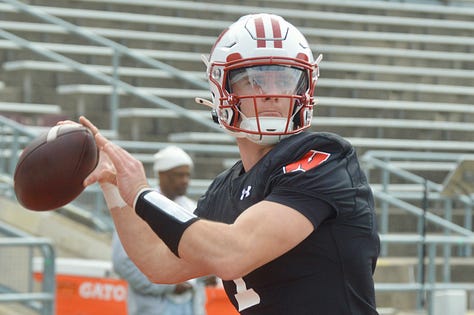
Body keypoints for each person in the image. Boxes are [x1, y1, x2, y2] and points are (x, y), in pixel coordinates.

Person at [78, 13, 380, 315]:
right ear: (222, 90)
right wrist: (115, 189)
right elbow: (158, 264)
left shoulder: (322, 158)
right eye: (255, 80)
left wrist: (141, 194)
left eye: (286, 78)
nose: (272, 93)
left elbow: (234, 252)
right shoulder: (224, 190)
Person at [111, 145, 214, 315]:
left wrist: (206, 274)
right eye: (179, 175)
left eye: (188, 175)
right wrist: (168, 287)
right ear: (162, 175)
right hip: (153, 307)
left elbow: (198, 255)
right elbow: (122, 263)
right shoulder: (139, 209)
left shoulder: (193, 209)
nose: (185, 180)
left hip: (191, 306)